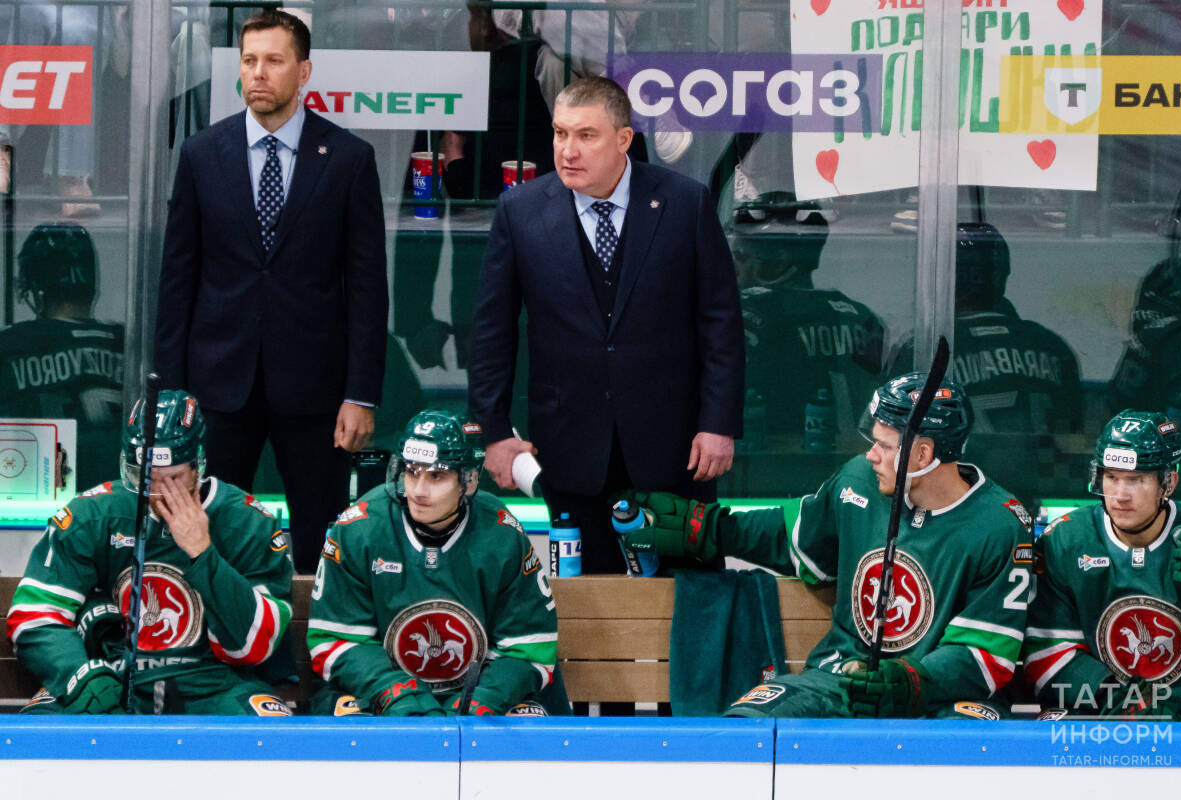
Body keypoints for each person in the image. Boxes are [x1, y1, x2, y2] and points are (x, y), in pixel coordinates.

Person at [621, 373, 1033, 718]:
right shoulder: (858, 482)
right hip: (839, 678)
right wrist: (709, 529)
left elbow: (988, 652)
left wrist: (914, 682)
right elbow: (795, 537)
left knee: (970, 744)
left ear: (923, 454)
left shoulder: (1000, 525)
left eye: (884, 445)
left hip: (938, 699)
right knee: (746, 728)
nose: (870, 455)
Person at [468, 75, 744, 574]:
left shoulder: (685, 203)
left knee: (690, 597)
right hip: (569, 451)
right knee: (586, 603)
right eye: (560, 133)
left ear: (623, 139)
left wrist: (718, 423)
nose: (567, 150)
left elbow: (720, 323)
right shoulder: (520, 211)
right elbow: (492, 331)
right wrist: (494, 431)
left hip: (677, 450)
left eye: (586, 135)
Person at [155, 9, 388, 574]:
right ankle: (218, 629)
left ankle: (311, 632)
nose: (258, 73)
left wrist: (361, 395)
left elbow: (367, 288)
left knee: (320, 540)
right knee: (210, 534)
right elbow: (177, 281)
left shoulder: (349, 159)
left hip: (316, 391)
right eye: (249, 60)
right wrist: (173, 399)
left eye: (274, 61)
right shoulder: (201, 154)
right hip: (217, 385)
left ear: (303, 71)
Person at [5, 390, 295, 714]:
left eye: (172, 479)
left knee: (271, 729)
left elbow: (254, 647)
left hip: (213, 683)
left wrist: (203, 553)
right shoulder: (91, 516)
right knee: (42, 724)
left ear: (198, 464)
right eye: (141, 476)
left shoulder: (247, 522)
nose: (154, 493)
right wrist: (77, 676)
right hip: (112, 677)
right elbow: (34, 615)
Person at [307, 409, 563, 716]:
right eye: (412, 472)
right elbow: (336, 640)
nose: (418, 490)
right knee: (349, 723)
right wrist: (398, 696)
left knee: (527, 725)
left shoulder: (502, 534)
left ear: (468, 480)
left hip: (477, 690)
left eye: (437, 475)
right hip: (380, 691)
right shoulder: (359, 528)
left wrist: (479, 701)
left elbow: (528, 647)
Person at [887, 222, 1083, 506]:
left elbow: (889, 441)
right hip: (1028, 501)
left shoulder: (923, 349)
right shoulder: (1053, 346)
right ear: (1002, 274)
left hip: (956, 505)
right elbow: (1071, 436)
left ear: (946, 277)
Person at [1024, 410, 1181, 720]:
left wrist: (1179, 702)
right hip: (1098, 711)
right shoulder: (1066, 540)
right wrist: (1110, 695)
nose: (1119, 495)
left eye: (1136, 480)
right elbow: (1045, 648)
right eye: (1112, 477)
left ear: (1168, 483)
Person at [734, 193, 885, 443]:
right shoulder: (863, 317)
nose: (731, 265)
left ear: (777, 262)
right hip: (854, 453)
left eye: (740, 256)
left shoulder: (749, 315)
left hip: (773, 455)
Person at [0, 222, 124, 490]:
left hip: (43, 486)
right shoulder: (126, 342)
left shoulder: (13, 344)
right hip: (113, 492)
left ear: (37, 285)